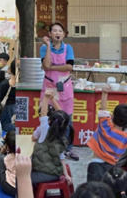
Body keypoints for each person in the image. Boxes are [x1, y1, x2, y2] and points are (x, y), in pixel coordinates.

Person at [39, 23, 78, 160]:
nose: (57, 33)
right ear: (50, 34)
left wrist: (52, 67)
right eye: (54, 30)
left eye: (60, 31)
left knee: (67, 118)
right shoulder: (44, 48)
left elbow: (69, 66)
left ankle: (68, 148)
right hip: (50, 86)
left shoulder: (68, 48)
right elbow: (46, 64)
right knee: (48, 117)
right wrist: (48, 46)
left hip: (64, 87)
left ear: (64, 34)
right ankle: (49, 147)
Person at [30, 89, 72, 185]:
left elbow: (43, 114)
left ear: (49, 121)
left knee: (21, 177)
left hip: (42, 172)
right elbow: (62, 158)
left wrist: (46, 97)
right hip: (55, 173)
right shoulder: (62, 135)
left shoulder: (45, 130)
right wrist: (66, 175)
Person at [0, 131, 15, 196]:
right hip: (25, 188)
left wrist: (1, 152)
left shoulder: (8, 158)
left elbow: (5, 164)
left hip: (10, 187)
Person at [0, 60, 16, 132]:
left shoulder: (4, 84)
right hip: (14, 107)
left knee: (4, 124)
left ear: (9, 69)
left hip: (6, 109)